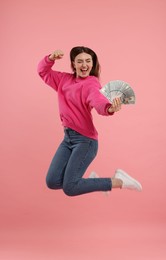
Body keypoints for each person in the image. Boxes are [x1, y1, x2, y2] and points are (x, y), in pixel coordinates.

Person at [37, 46, 142, 196]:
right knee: (52, 181)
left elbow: (98, 101)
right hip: (68, 139)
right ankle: (93, 181)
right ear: (73, 64)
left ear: (92, 64)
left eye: (88, 61)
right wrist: (50, 58)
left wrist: (109, 108)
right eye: (80, 61)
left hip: (85, 141)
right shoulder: (63, 80)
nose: (84, 65)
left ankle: (119, 180)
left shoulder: (91, 83)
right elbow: (43, 71)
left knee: (70, 188)